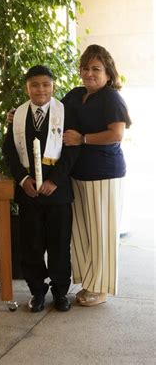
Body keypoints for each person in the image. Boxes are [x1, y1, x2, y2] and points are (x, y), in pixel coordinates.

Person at [3, 65, 79, 312]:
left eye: (46, 84)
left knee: (59, 245)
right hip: (29, 192)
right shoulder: (18, 115)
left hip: (57, 191)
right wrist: (23, 180)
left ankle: (60, 292)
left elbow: (71, 150)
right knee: (32, 245)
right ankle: (37, 292)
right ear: (27, 88)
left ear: (53, 87)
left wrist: (54, 180)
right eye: (34, 85)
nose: (40, 90)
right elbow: (10, 151)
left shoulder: (65, 113)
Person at [62, 44, 131, 306]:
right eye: (85, 68)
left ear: (108, 73)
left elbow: (116, 134)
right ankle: (88, 282)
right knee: (83, 233)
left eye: (96, 69)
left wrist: (83, 139)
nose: (89, 73)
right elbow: (53, 113)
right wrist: (17, 115)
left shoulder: (111, 98)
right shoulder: (76, 94)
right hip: (77, 174)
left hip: (104, 174)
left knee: (102, 233)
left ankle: (100, 288)